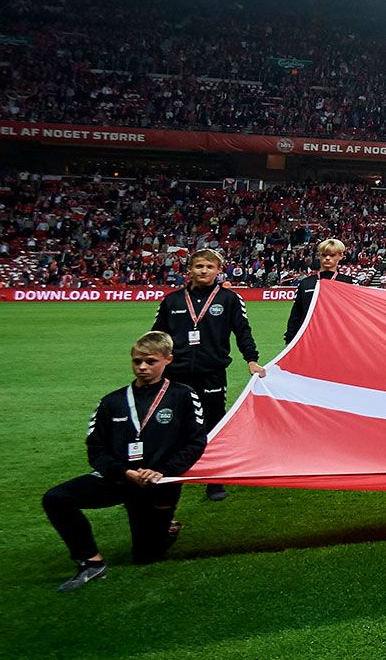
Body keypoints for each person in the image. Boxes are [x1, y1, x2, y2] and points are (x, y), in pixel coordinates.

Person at [42, 332, 210, 592]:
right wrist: (124, 471)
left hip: (158, 482)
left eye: (150, 361)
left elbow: (196, 442)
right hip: (119, 478)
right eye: (136, 361)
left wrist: (161, 471)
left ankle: (166, 527)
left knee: (146, 557)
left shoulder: (184, 397)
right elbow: (95, 449)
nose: (142, 367)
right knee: (56, 498)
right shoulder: (112, 402)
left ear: (168, 360)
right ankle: (91, 561)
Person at [149, 249, 262, 502]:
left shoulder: (230, 299)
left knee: (213, 422)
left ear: (219, 270)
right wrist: (153, 364)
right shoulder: (172, 301)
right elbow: (157, 336)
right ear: (189, 269)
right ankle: (170, 473)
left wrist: (251, 359)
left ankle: (214, 478)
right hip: (175, 373)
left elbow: (242, 330)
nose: (203, 271)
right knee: (173, 423)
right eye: (199, 266)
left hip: (211, 372)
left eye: (209, 267)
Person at [284, 237, 345, 345]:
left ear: (341, 256)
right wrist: (289, 341)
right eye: (324, 255)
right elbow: (296, 314)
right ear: (319, 256)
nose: (327, 258)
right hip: (308, 339)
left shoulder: (349, 283)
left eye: (332, 255)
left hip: (338, 339)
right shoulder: (306, 283)